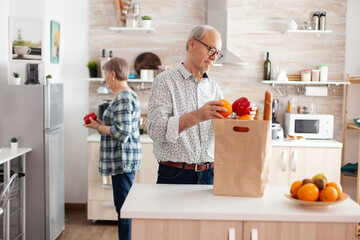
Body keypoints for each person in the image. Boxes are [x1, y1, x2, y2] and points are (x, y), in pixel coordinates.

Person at [146, 25, 227, 185]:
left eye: (217, 53)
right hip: (175, 175)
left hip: (210, 175)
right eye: (211, 49)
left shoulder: (213, 87)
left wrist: (236, 119)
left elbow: (220, 130)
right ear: (192, 44)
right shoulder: (164, 82)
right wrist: (198, 116)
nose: (213, 57)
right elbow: (155, 130)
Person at [85, 57, 141, 240]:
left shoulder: (124, 96)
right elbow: (118, 126)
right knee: (123, 207)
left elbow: (122, 132)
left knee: (124, 209)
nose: (106, 81)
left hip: (123, 161)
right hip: (121, 160)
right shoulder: (123, 95)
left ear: (113, 74)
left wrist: (97, 127)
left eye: (106, 77)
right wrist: (101, 123)